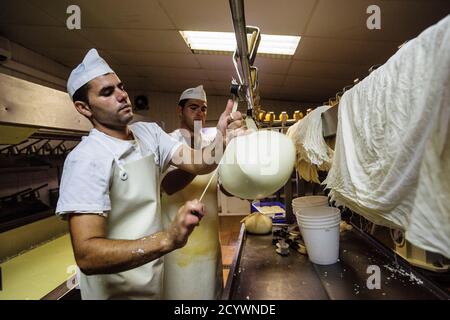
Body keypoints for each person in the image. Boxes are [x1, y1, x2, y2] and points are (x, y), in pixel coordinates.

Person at [55, 49, 245, 300]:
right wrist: (168, 238)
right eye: (107, 92)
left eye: (120, 87)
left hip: (153, 279)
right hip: (116, 292)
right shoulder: (86, 158)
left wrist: (222, 136)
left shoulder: (148, 134)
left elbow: (200, 163)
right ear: (83, 107)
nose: (122, 95)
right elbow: (87, 254)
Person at [161, 85, 223, 300]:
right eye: (193, 107)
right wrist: (205, 162)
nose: (200, 113)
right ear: (180, 111)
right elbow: (167, 186)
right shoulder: (168, 144)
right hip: (180, 248)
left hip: (210, 241)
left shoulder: (211, 145)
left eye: (204, 109)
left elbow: (222, 186)